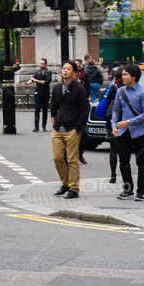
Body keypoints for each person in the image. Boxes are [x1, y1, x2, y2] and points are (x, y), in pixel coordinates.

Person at [111, 63, 144, 201]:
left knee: (141, 162)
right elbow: (116, 111)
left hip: (139, 132)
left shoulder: (143, 93)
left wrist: (128, 122)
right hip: (123, 132)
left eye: (125, 74)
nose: (122, 77)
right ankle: (128, 190)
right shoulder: (120, 91)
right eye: (122, 74)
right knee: (123, 161)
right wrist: (114, 126)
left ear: (134, 76)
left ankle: (141, 191)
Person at [50, 61, 89, 199]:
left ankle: (74, 189)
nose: (65, 71)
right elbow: (53, 108)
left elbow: (85, 109)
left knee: (72, 160)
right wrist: (53, 125)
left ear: (74, 72)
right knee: (57, 158)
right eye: (64, 68)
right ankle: (65, 184)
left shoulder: (79, 88)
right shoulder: (57, 88)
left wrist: (78, 128)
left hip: (72, 129)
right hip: (58, 129)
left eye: (68, 69)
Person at [99, 68, 123, 184]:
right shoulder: (129, 86)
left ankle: (113, 175)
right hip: (124, 119)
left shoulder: (113, 87)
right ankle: (125, 173)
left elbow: (102, 99)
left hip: (111, 118)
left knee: (113, 148)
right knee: (124, 148)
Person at [24, 58, 52, 132]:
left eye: (42, 64)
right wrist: (27, 83)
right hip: (38, 92)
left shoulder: (49, 72)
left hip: (45, 92)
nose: (41, 65)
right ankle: (36, 126)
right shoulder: (37, 72)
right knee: (37, 109)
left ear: (45, 64)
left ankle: (44, 125)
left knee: (45, 110)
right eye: (40, 64)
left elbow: (46, 82)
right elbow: (32, 79)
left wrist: (36, 80)